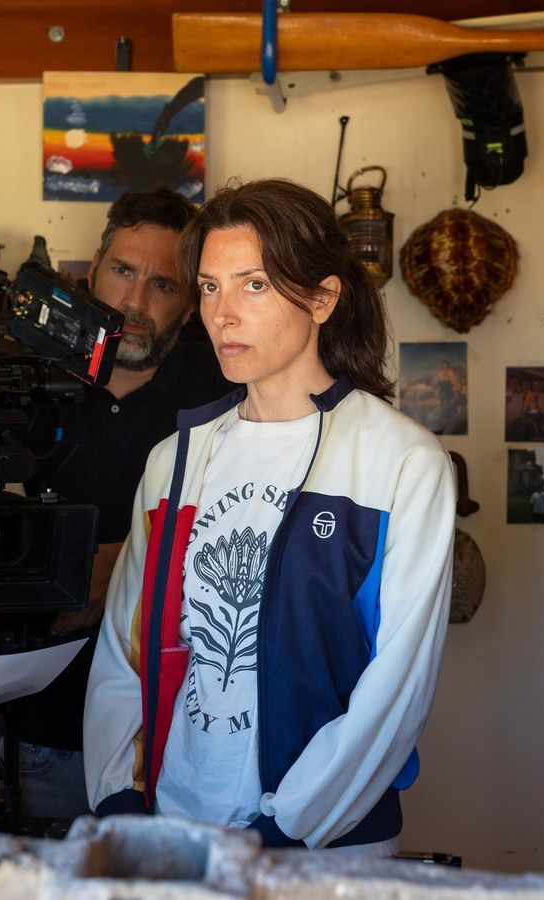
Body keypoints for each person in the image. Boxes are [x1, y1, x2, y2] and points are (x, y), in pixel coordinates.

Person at [83, 178, 455, 853]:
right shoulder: (174, 459)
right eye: (209, 287)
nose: (222, 315)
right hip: (175, 826)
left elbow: (398, 684)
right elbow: (125, 647)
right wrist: (118, 795)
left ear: (323, 297)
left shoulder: (400, 462)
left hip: (325, 848)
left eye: (253, 285)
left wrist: (286, 829)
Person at [6, 189, 233, 823]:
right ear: (92, 272)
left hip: (183, 740)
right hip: (40, 729)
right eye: (123, 272)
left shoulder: (227, 392)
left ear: (191, 304)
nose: (134, 302)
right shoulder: (23, 376)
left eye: (163, 285)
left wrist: (131, 564)